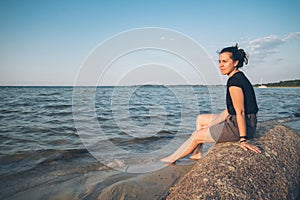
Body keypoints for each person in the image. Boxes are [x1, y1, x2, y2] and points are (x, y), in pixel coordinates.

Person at [161, 44, 261, 164]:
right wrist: (211, 125)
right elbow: (230, 110)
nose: (220, 65)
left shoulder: (234, 82)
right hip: (238, 120)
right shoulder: (238, 76)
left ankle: (171, 159)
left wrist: (243, 139)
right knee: (201, 119)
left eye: (224, 61)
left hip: (240, 125)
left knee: (196, 136)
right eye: (219, 62)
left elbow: (240, 111)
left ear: (235, 62)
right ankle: (196, 153)